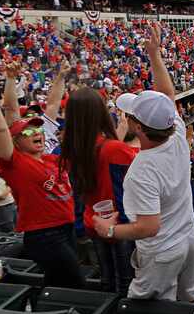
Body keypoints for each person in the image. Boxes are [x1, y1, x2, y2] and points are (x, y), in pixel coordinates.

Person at [92, 24, 194, 314]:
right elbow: (168, 95)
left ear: (138, 127)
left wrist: (108, 230)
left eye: (129, 116)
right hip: (190, 236)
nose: (125, 117)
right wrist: (154, 54)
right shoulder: (177, 134)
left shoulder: (140, 171)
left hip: (163, 251)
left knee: (150, 311)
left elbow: (148, 227)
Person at [0, 75, 84, 289]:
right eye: (28, 131)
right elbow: (1, 127)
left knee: (58, 282)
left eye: (38, 129)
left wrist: (61, 76)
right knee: (75, 281)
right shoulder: (15, 163)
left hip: (67, 226)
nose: (37, 133)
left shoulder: (52, 158)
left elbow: (54, 106)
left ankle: (50, 313)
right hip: (44, 234)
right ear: (16, 141)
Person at [59, 86, 138, 295]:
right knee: (127, 283)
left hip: (92, 222)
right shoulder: (115, 149)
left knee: (107, 279)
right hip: (120, 225)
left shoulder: (70, 151)